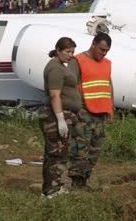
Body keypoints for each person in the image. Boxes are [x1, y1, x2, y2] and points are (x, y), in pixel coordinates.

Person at [39, 37, 81, 198]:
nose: (70, 55)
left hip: (64, 114)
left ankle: (51, 188)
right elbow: (55, 95)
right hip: (54, 116)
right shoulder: (55, 68)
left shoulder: (61, 66)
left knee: (57, 152)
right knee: (57, 154)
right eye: (67, 51)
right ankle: (52, 190)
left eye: (72, 52)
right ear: (58, 50)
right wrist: (60, 119)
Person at [71, 32, 113, 189]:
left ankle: (86, 180)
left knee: (95, 150)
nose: (103, 53)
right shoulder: (78, 61)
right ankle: (77, 183)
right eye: (101, 49)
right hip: (83, 113)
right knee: (80, 149)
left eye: (106, 51)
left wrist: (110, 109)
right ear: (93, 44)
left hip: (100, 114)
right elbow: (71, 86)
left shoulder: (107, 63)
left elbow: (108, 85)